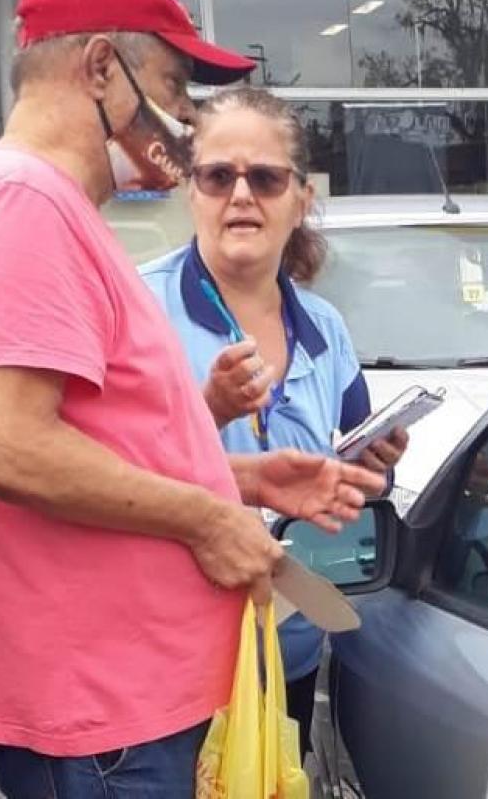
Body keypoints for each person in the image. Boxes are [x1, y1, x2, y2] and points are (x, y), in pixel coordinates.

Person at [0, 0, 385, 799]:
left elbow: (89, 439)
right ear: (101, 68)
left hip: (119, 711)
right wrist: (207, 518)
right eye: (170, 87)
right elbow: (5, 443)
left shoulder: (42, 206)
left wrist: (242, 476)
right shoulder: (23, 202)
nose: (182, 119)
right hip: (103, 722)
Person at [140, 86, 408, 757]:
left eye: (264, 177)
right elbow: (95, 469)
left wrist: (372, 467)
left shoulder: (324, 327)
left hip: (286, 644)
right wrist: (209, 411)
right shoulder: (137, 308)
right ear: (189, 190)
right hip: (170, 664)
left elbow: (348, 474)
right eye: (217, 175)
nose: (240, 195)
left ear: (300, 198)